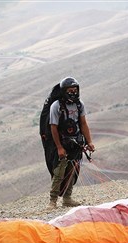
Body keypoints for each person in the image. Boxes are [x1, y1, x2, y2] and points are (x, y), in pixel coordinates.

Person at [46, 77, 95, 209]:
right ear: (63, 91)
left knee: (72, 171)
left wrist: (89, 141)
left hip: (76, 143)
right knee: (59, 172)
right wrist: (59, 147)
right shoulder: (56, 106)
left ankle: (67, 198)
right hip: (62, 143)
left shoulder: (79, 105)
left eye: (75, 90)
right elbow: (53, 127)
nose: (73, 92)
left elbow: (83, 123)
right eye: (70, 90)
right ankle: (53, 201)